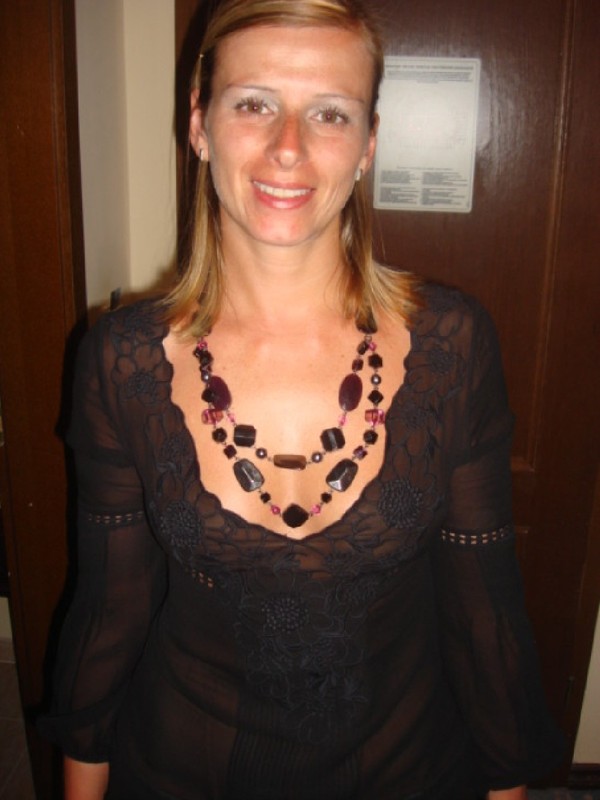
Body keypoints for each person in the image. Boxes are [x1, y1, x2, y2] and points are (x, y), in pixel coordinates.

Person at [40, 0, 564, 797]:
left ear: (368, 144)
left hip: (407, 773)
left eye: (329, 113)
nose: (288, 147)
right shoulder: (122, 359)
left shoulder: (452, 344)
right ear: (200, 126)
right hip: (182, 769)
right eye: (254, 104)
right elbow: (110, 613)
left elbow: (483, 612)